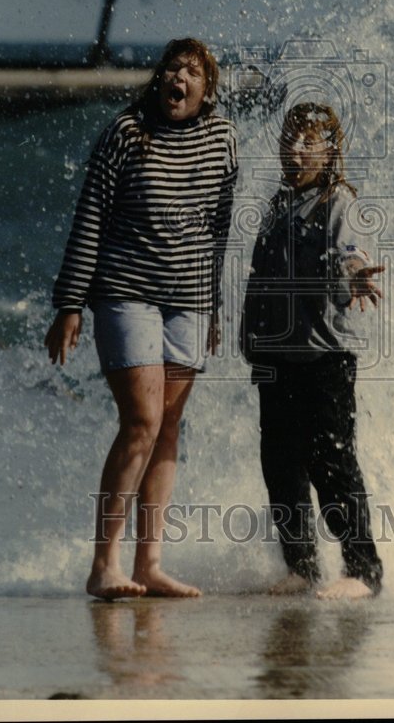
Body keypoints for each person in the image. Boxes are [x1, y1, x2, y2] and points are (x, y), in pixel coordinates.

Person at [44, 38, 238, 600]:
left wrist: (215, 306)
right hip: (126, 293)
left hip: (189, 300)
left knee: (170, 425)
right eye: (171, 69)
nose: (179, 79)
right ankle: (104, 564)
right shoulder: (126, 134)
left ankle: (148, 565)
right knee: (142, 421)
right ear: (158, 81)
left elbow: (218, 230)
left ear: (207, 91)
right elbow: (89, 220)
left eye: (191, 72)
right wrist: (70, 304)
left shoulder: (223, 139)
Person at [240, 102, 385, 599]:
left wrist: (356, 276)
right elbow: (260, 281)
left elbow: (352, 256)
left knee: (332, 463)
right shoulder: (278, 205)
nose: (297, 149)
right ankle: (302, 567)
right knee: (279, 464)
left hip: (325, 359)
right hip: (276, 359)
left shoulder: (340, 203)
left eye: (310, 142)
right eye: (291, 140)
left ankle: (363, 571)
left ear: (330, 152)